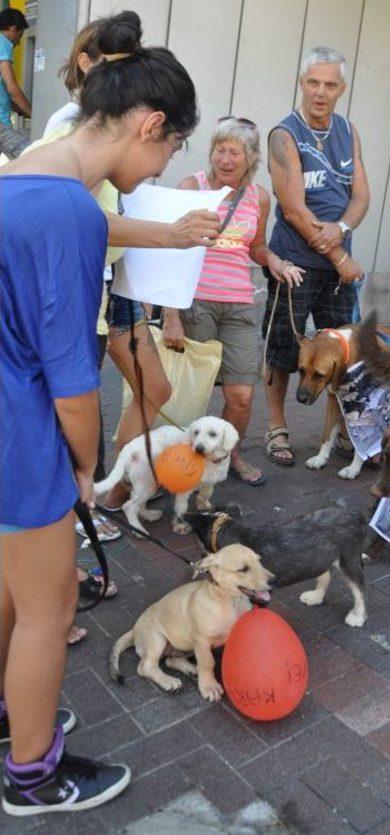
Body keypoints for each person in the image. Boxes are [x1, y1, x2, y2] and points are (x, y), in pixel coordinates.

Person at [0, 11, 201, 814]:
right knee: (48, 612)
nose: (161, 163)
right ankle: (32, 774)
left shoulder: (18, 172)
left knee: (9, 593)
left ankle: (12, 721)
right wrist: (86, 466)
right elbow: (74, 385)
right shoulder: (72, 214)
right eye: (170, 148)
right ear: (150, 124)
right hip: (22, 430)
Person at [163, 118, 303, 484]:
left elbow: (254, 246)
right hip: (196, 302)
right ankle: (178, 462)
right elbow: (172, 253)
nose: (225, 159)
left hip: (239, 304)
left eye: (234, 152)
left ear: (251, 157)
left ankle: (225, 458)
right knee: (191, 396)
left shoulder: (259, 197)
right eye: (219, 150)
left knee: (241, 394)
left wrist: (274, 260)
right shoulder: (192, 186)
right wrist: (170, 315)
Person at [263, 46, 370, 465]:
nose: (320, 92)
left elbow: (361, 196)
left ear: (342, 88)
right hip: (295, 265)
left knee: (345, 355)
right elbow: (293, 209)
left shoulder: (348, 130)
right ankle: (276, 427)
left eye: (329, 84)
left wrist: (341, 228)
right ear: (301, 83)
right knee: (284, 350)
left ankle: (344, 431)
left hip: (338, 267)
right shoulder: (284, 135)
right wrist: (341, 256)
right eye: (313, 83)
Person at [0, 6, 30, 159]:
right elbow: (12, 88)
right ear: (12, 29)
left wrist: (18, 108)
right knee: (29, 155)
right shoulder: (3, 43)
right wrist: (33, 113)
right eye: (20, 35)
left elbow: (3, 91)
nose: (19, 42)